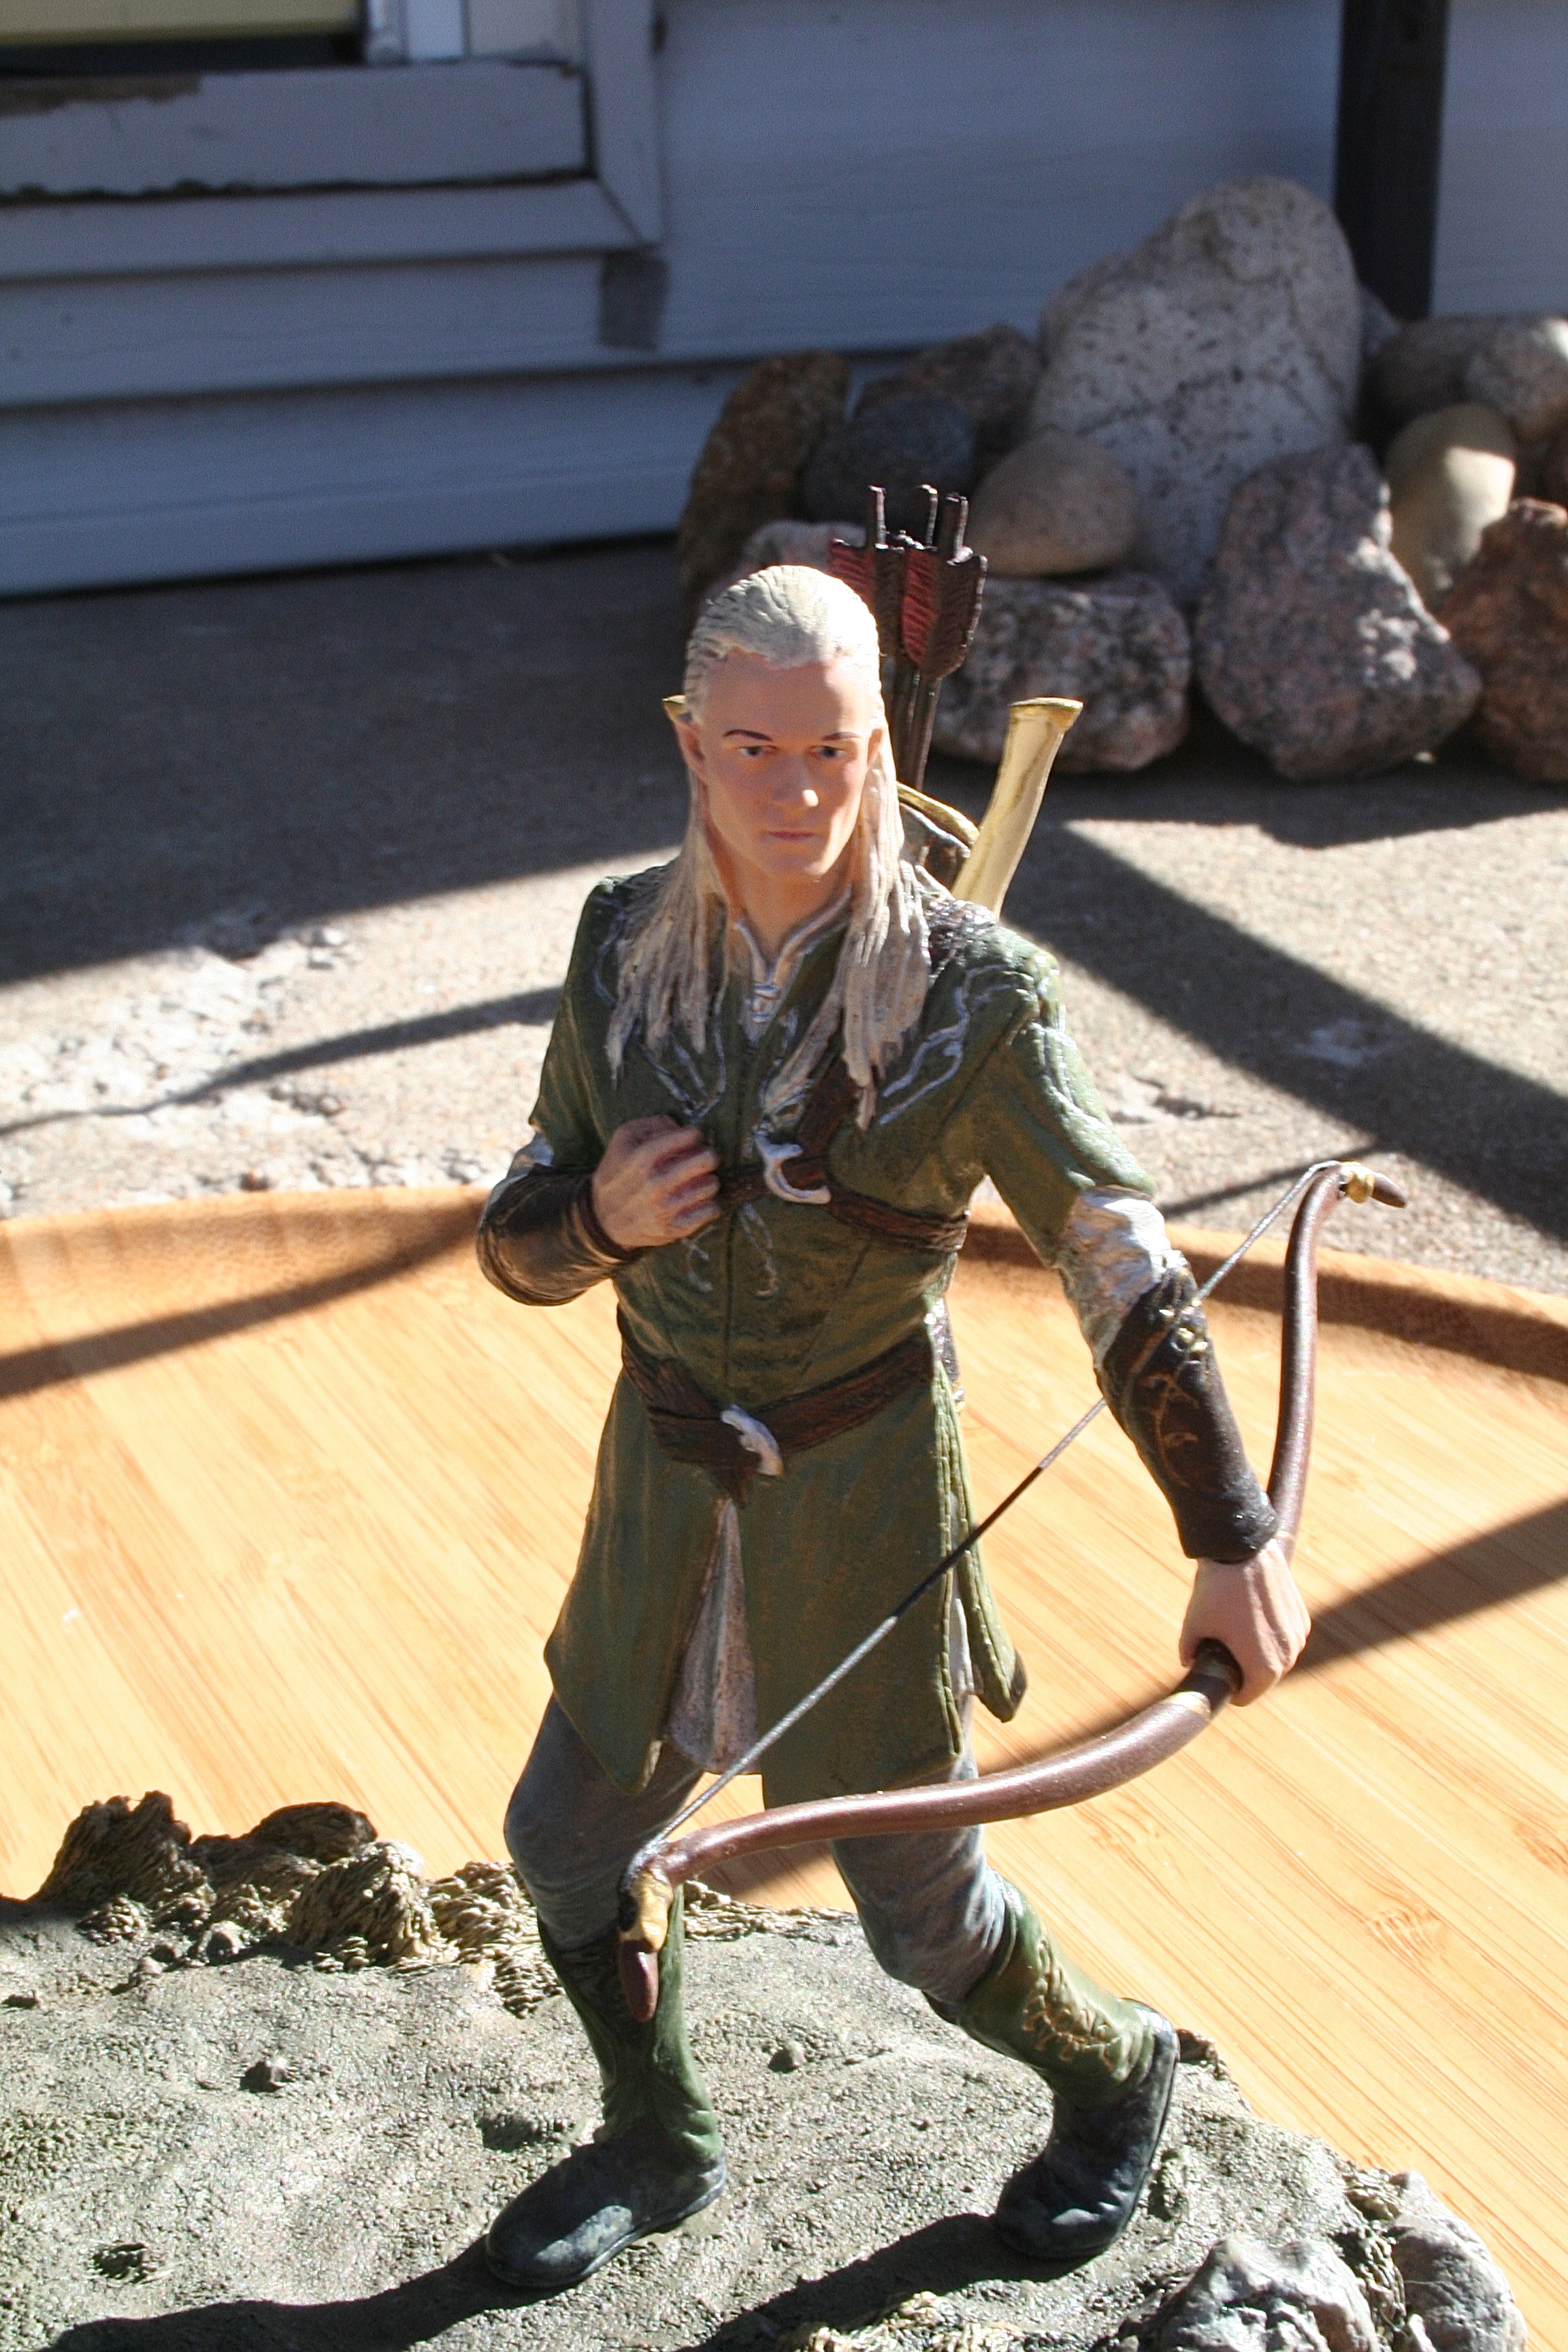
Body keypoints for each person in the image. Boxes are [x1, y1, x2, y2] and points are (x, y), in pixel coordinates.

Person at [476, 566, 1309, 2293]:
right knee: (564, 1840)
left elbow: (1116, 1258)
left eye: (835, 750)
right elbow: (517, 1226)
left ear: (879, 748)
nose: (796, 794)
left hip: (861, 1508)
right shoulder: (622, 946)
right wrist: (599, 1223)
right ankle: (657, 2133)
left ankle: (1115, 2075)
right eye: (755, 749)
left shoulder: (977, 994)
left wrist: (1231, 1533)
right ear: (690, 745)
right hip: (661, 1496)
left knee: (922, 1916)